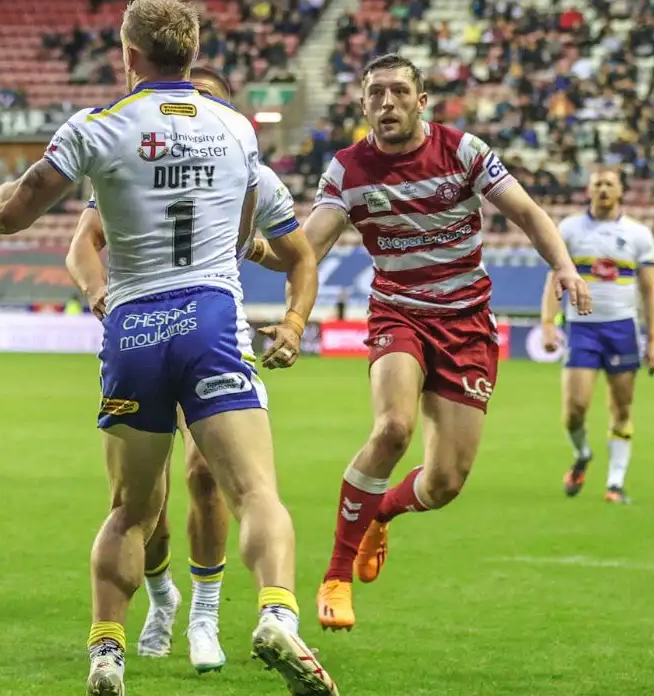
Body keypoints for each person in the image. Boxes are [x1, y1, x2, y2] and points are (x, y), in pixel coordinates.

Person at [0, 0, 337, 696]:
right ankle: (275, 613)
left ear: (128, 54)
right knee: (255, 490)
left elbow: (19, 209)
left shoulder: (98, 127)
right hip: (210, 319)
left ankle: (107, 653)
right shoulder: (237, 130)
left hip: (134, 327)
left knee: (130, 509)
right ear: (192, 50)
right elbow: (249, 235)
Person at [252, 53, 591, 632]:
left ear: (422, 100)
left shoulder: (463, 152)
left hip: (467, 325)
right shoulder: (347, 170)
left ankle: (382, 511)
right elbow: (308, 249)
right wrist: (265, 263)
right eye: (376, 94)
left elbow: (529, 215)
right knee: (393, 429)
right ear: (363, 105)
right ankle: (334, 576)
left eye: (399, 92)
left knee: (445, 482)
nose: (387, 103)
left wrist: (564, 268)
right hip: (399, 314)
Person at [65, 65, 319, 674]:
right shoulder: (136, 161)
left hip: (203, 330)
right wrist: (99, 293)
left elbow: (298, 255)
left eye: (206, 103)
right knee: (138, 502)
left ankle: (204, 616)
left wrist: (293, 322)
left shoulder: (247, 171)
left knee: (209, 476)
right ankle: (159, 598)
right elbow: (82, 243)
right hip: (148, 329)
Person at [542, 166, 654, 505]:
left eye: (610, 184)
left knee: (621, 407)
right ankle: (582, 454)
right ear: (589, 190)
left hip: (622, 328)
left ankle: (615, 484)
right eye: (598, 184)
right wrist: (548, 323)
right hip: (583, 328)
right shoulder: (570, 230)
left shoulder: (638, 235)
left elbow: (650, 292)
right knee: (574, 409)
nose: (604, 189)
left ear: (621, 191)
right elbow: (555, 280)